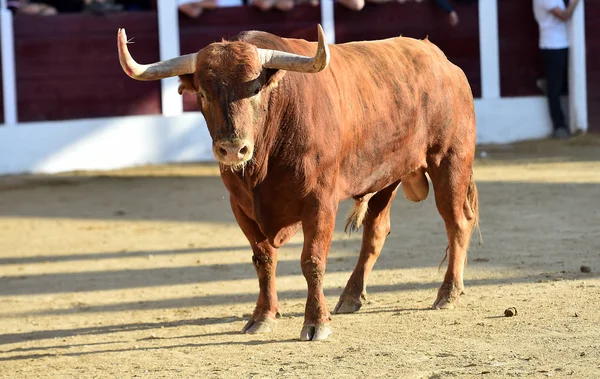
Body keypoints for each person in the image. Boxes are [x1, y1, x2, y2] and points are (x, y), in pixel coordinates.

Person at [533, 0, 581, 139]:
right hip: (552, 45)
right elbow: (564, 15)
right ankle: (558, 126)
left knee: (563, 84)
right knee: (555, 89)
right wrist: (575, 2)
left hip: (561, 43)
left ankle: (548, 85)